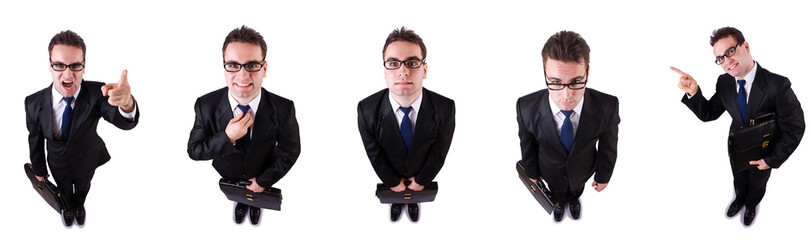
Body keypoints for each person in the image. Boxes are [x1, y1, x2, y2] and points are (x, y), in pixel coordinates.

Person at [671, 26, 804, 226]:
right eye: (720, 58)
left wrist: (771, 160)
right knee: (739, 179)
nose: (726, 61)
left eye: (730, 52)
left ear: (746, 46)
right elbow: (709, 113)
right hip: (738, 147)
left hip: (764, 151)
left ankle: (751, 205)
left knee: (758, 183)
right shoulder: (725, 82)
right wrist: (694, 92)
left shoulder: (777, 85)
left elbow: (795, 127)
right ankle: (739, 199)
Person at [25, 30, 140, 227]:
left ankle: (79, 206)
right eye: (60, 65)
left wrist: (127, 104)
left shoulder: (98, 92)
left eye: (75, 65)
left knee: (83, 188)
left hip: (87, 159)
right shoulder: (33, 102)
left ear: (84, 67)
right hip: (57, 162)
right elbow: (35, 138)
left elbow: (118, 118)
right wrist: (39, 168)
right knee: (64, 191)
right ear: (50, 66)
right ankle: (67, 207)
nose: (68, 74)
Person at [187, 25, 301, 225]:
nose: (242, 75)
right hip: (229, 174)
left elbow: (290, 151)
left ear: (264, 68)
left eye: (251, 65)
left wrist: (263, 181)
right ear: (224, 68)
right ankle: (241, 202)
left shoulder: (284, 108)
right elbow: (195, 151)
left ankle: (255, 204)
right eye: (233, 65)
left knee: (256, 196)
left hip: (263, 172)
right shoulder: (205, 105)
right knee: (240, 195)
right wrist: (227, 137)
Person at [516, 30, 620, 222]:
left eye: (576, 82)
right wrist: (532, 172)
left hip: (583, 170)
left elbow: (609, 145)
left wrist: (604, 175)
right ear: (545, 74)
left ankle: (573, 200)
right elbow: (527, 144)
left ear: (588, 72)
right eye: (555, 82)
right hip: (548, 170)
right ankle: (557, 204)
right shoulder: (525, 107)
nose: (566, 96)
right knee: (556, 193)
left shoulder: (608, 106)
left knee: (575, 191)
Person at [357, 27, 455, 223]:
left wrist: (421, 181)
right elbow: (374, 153)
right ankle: (397, 201)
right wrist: (393, 182)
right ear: (385, 71)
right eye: (394, 63)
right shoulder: (366, 109)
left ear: (424, 69)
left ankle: (412, 202)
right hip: (391, 174)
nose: (403, 71)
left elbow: (439, 152)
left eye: (412, 62)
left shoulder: (445, 107)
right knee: (396, 193)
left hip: (421, 174)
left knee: (414, 194)